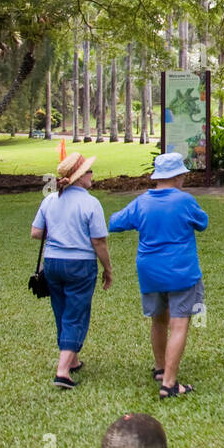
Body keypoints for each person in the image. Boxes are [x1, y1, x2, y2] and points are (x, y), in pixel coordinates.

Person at [108, 152, 209, 398]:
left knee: (158, 320)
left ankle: (160, 368)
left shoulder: (141, 202)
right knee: (179, 323)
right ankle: (170, 384)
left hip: (150, 272)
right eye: (183, 174)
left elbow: (114, 222)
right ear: (176, 176)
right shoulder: (185, 201)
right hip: (181, 272)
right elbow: (202, 222)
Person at [31, 152, 113, 389]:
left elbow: (36, 232)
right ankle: (63, 371)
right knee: (77, 313)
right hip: (80, 264)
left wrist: (58, 232)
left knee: (62, 310)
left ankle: (73, 359)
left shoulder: (50, 200)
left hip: (53, 263)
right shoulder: (90, 203)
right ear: (79, 177)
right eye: (88, 171)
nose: (92, 175)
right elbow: (99, 241)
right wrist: (108, 269)